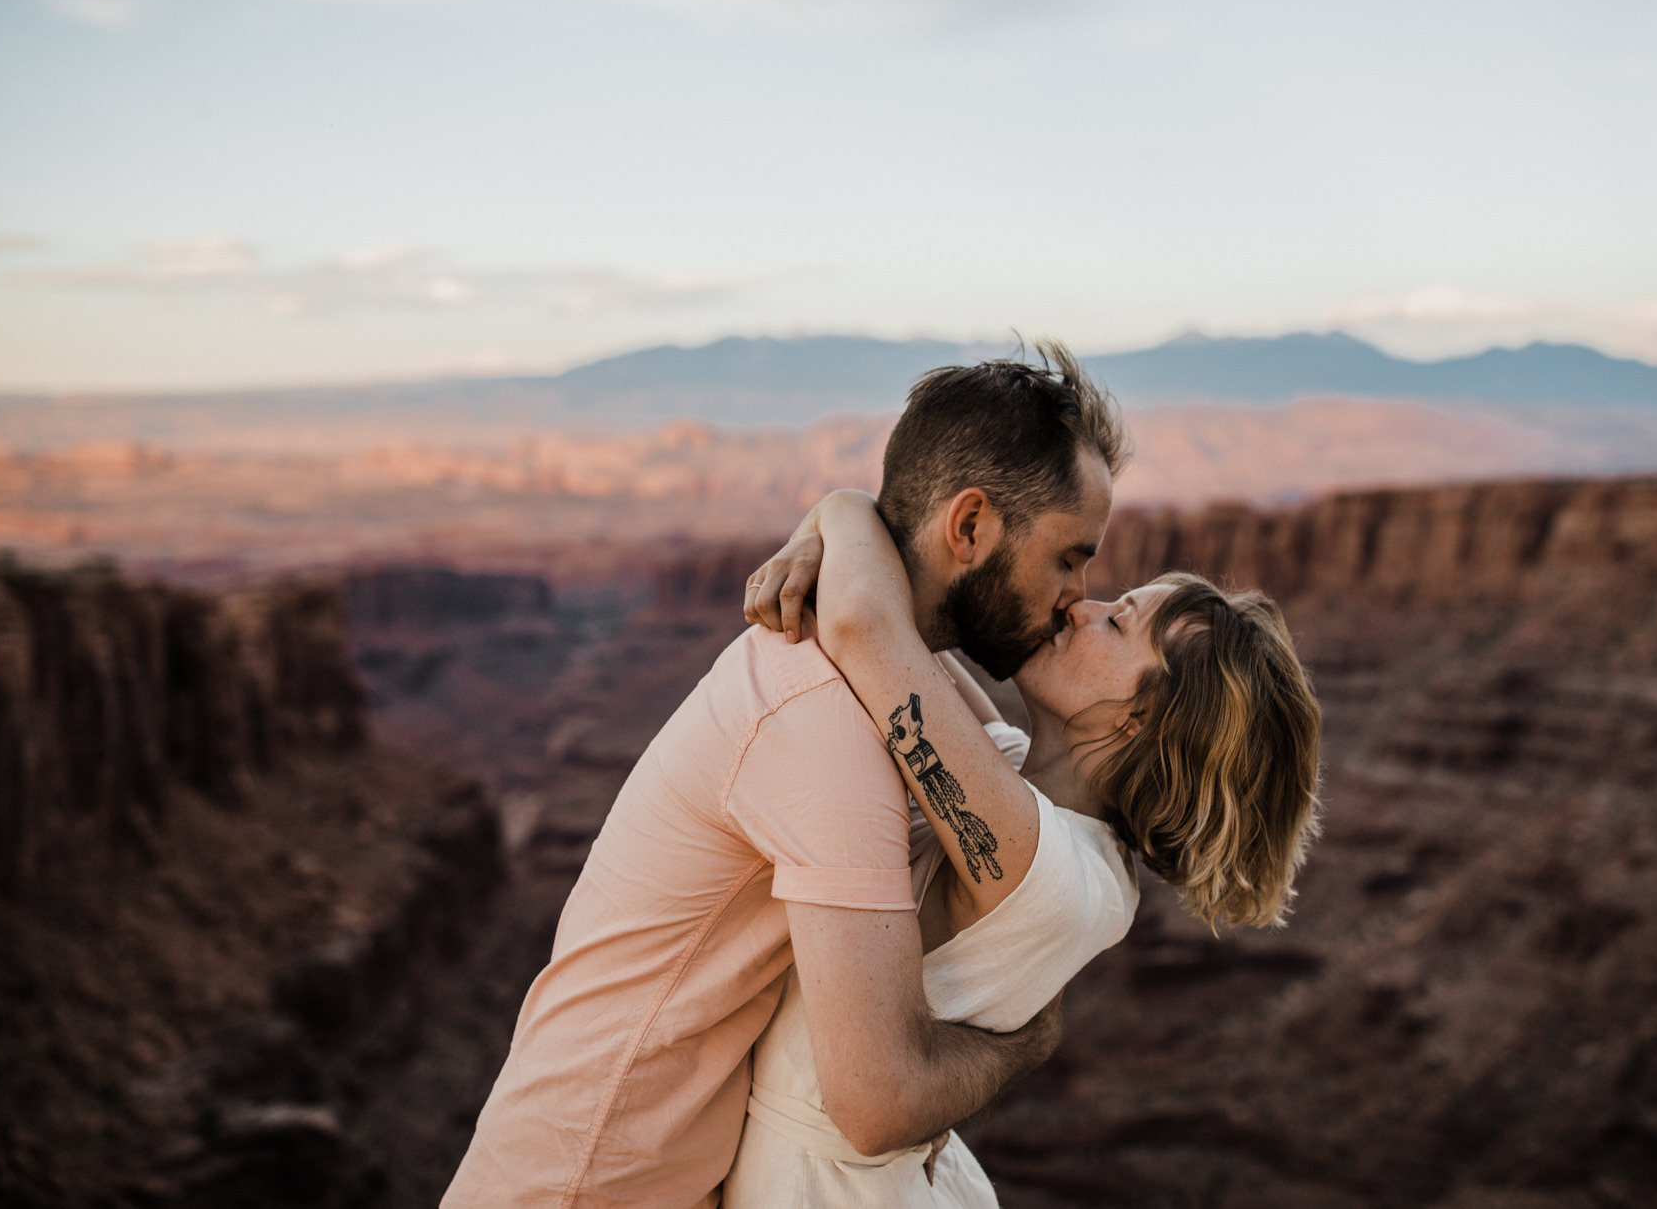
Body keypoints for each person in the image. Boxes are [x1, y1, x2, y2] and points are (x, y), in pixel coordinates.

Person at [444, 342, 1130, 1208]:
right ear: (970, 527)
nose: (1078, 592)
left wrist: (840, 514)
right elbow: (879, 1099)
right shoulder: (825, 720)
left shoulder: (883, 679)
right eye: (1070, 555)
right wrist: (1025, 1043)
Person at [720, 489, 1323, 1206]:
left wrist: (839, 507)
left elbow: (864, 624)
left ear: (1141, 719)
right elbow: (901, 639)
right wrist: (824, 542)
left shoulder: (1037, 858)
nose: (1081, 606)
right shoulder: (1033, 796)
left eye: (1118, 621)